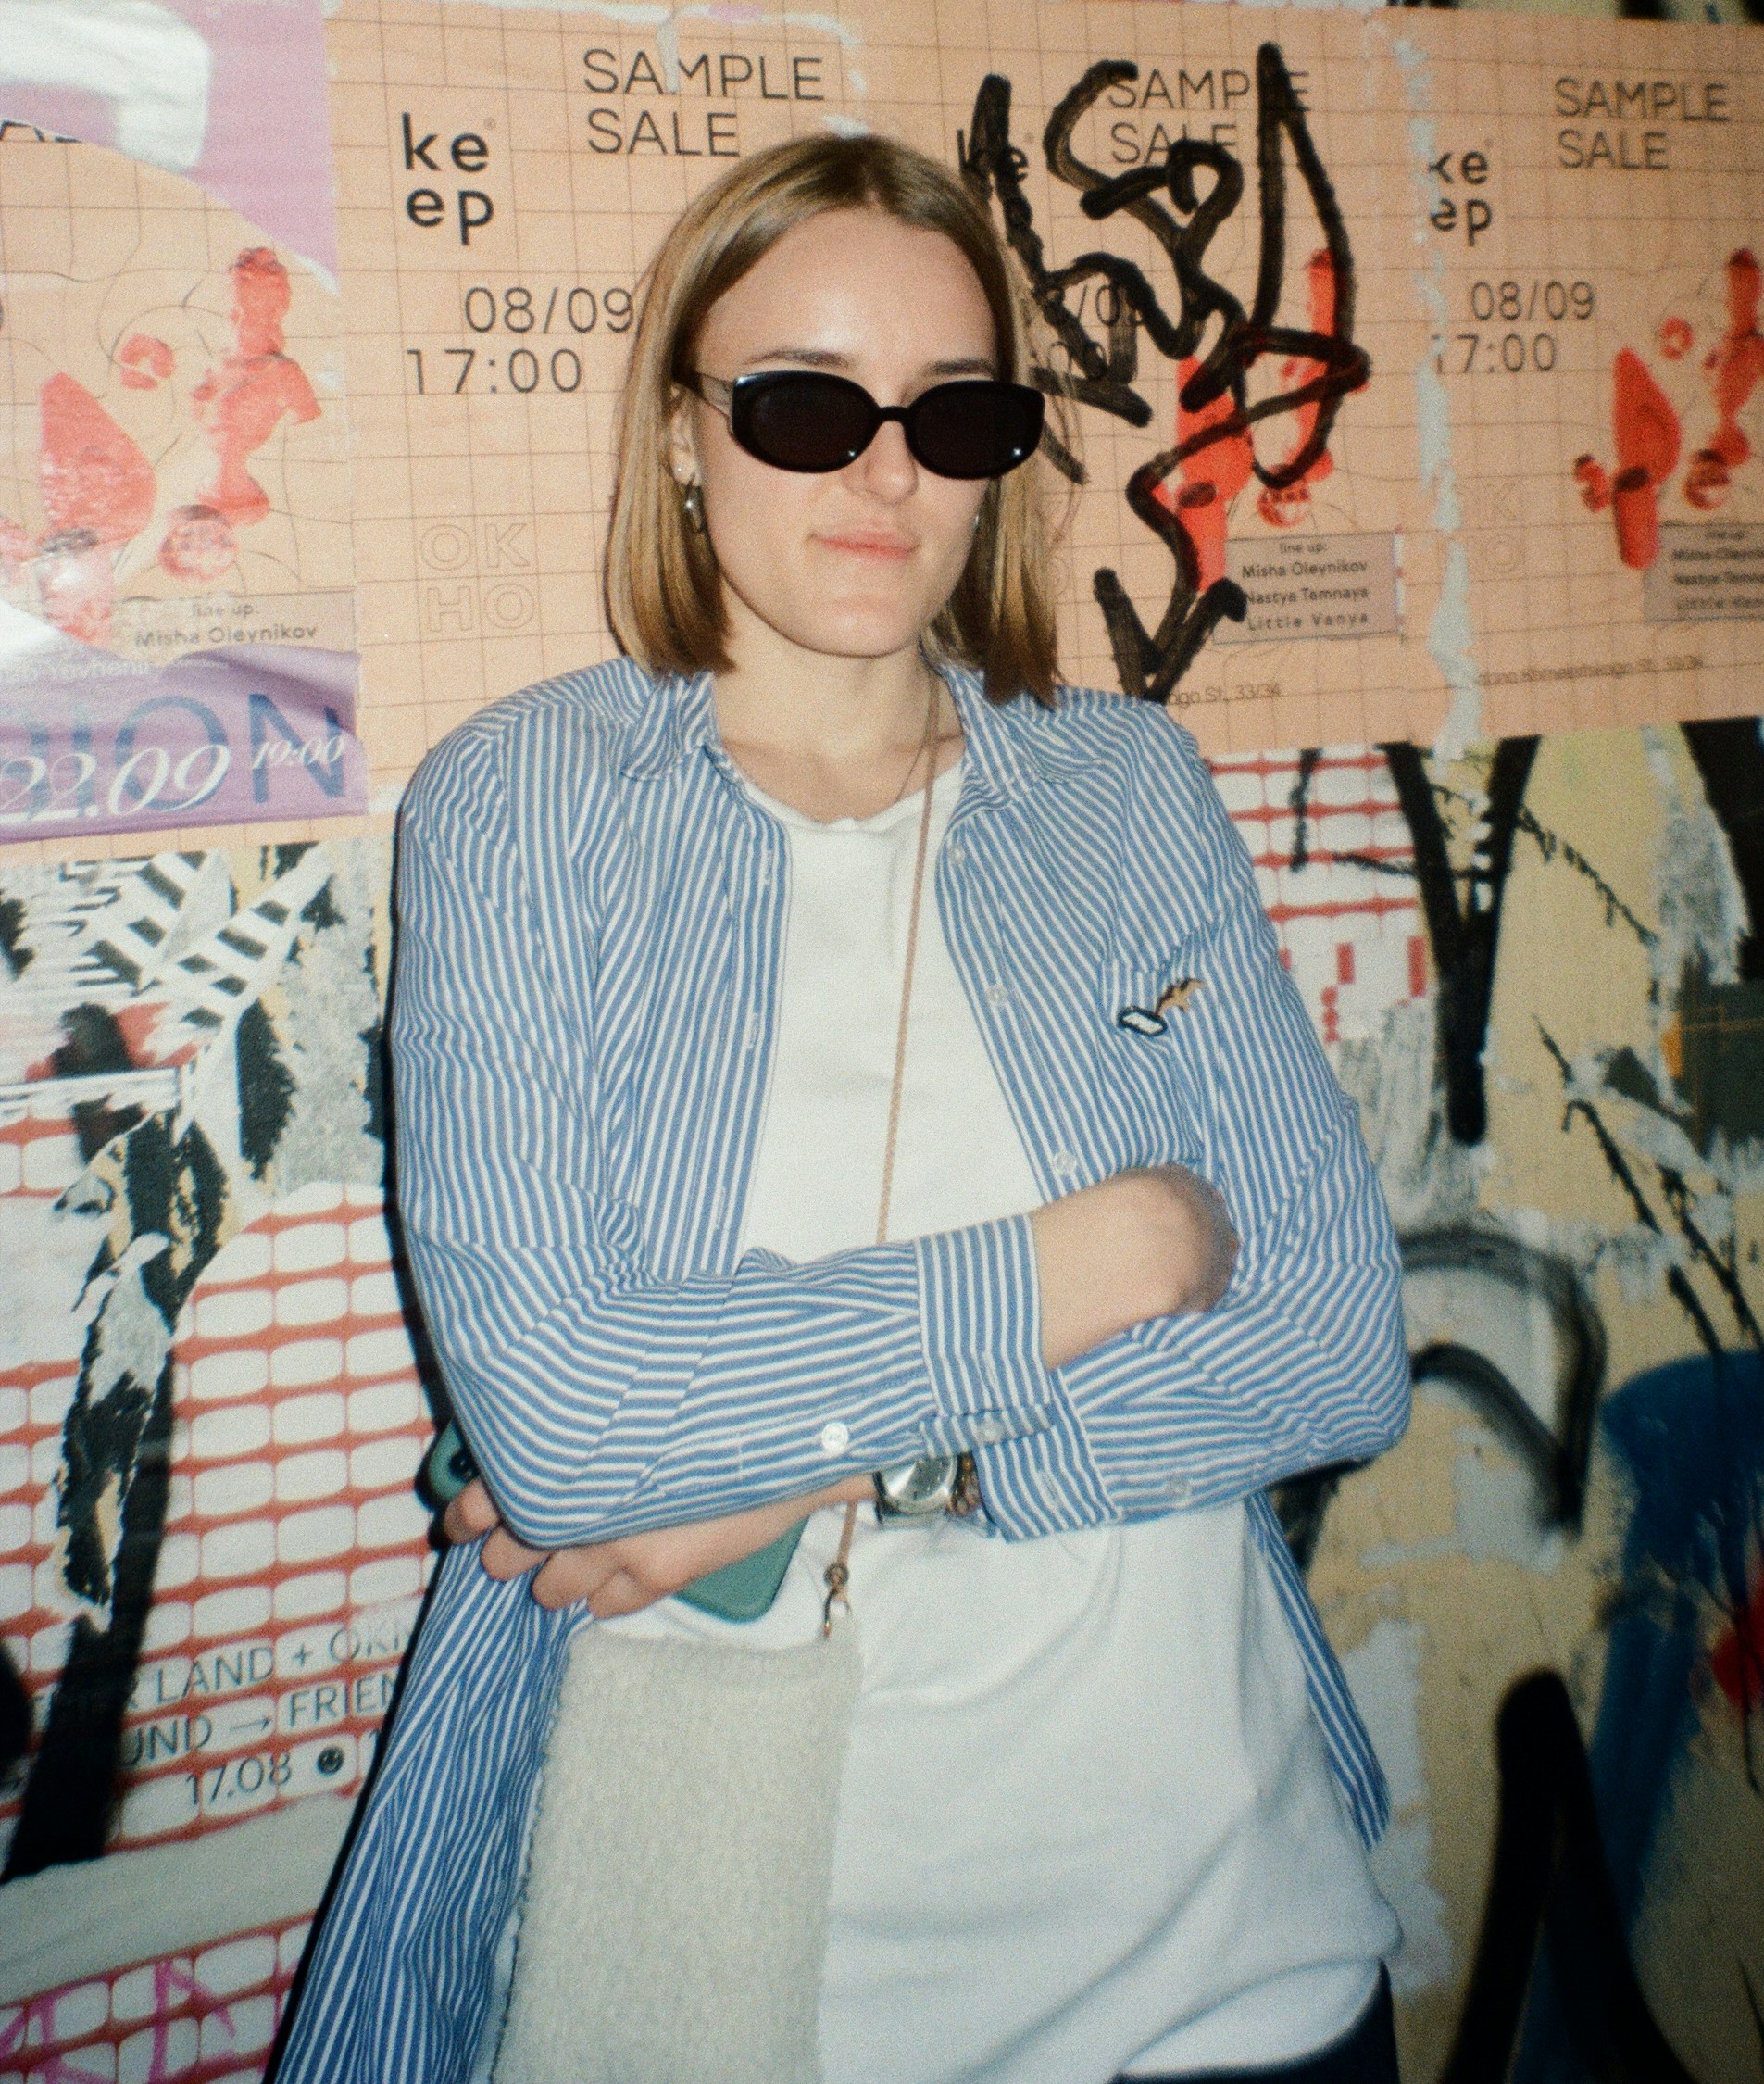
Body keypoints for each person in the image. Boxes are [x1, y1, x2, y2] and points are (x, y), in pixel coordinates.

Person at [275, 133, 1411, 2084]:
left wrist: (818, 1467)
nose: (889, 474)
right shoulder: (520, 811)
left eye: (954, 414)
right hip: (754, 1974)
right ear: (684, 431)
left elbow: (1336, 1350)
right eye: (808, 406)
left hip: (1237, 1953)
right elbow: (567, 1425)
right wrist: (1102, 1254)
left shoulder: (1124, 791)